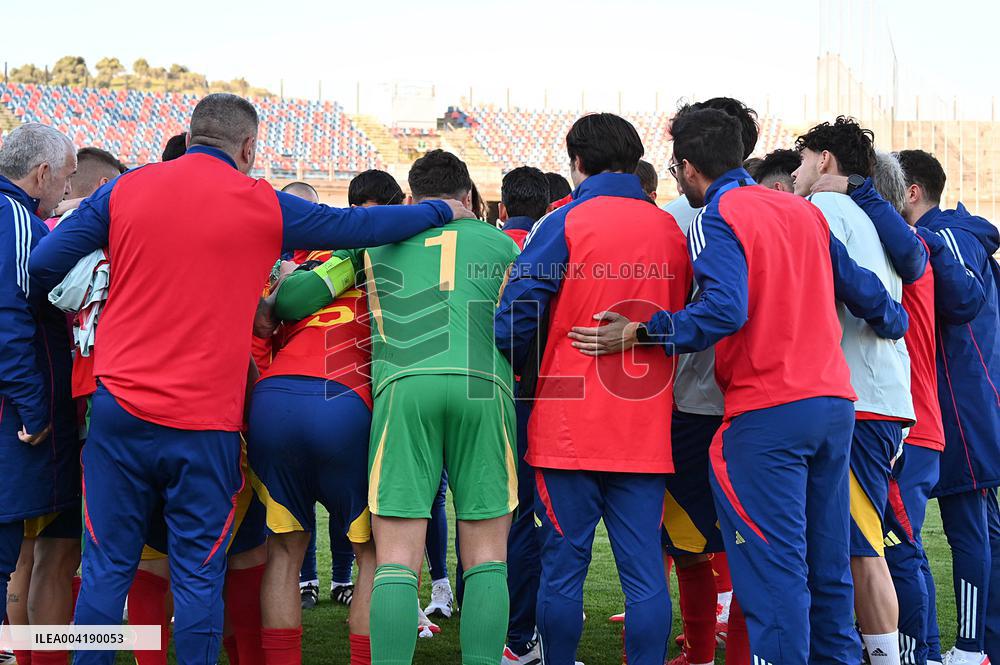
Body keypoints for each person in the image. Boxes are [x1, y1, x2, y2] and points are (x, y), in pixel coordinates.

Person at [27, 93, 468, 665]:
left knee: (109, 568)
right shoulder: (261, 202)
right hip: (205, 423)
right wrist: (442, 211)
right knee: (199, 574)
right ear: (249, 147)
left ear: (189, 137)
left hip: (120, 411)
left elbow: (43, 265)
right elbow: (362, 224)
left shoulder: (125, 189)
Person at [567, 106, 909, 665]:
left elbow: (724, 309)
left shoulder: (717, 214)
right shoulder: (802, 212)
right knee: (827, 575)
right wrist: (896, 326)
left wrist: (644, 331)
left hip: (766, 414)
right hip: (833, 408)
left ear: (685, 168)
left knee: (775, 580)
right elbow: (871, 295)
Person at [497, 113, 692, 665]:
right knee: (645, 574)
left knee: (562, 569)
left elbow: (513, 318)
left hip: (567, 425)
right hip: (645, 425)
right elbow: (687, 319)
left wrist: (534, 364)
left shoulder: (564, 220)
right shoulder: (669, 230)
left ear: (577, 163)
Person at [809, 150, 984, 665]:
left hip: (901, 422)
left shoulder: (907, 250)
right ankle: (917, 651)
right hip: (906, 420)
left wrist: (850, 192)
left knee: (890, 547)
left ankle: (918, 653)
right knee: (888, 544)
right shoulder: (897, 249)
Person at [363, 149, 520, 665]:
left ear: (411, 200)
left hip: (404, 388)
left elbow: (295, 298)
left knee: (395, 562)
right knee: (487, 561)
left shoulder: (378, 239)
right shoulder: (502, 243)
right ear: (470, 199)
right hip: (484, 389)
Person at [791, 116, 915, 665]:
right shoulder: (870, 215)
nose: (794, 174)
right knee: (857, 542)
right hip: (879, 397)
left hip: (859, 398)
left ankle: (885, 657)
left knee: (860, 548)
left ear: (824, 160)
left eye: (801, 161)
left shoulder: (823, 210)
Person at [660, 96, 761, 665]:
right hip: (758, 402)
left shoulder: (691, 216)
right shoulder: (781, 209)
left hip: (696, 402)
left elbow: (715, 309)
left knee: (693, 546)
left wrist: (648, 332)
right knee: (751, 544)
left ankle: (702, 653)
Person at [900, 149, 1000, 665]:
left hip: (961, 408)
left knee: (966, 528)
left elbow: (962, 301)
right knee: (982, 529)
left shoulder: (948, 236)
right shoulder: (956, 234)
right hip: (963, 403)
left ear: (912, 192)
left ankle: (967, 648)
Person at [0, 123, 78, 665]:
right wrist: (36, 407)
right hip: (13, 416)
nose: (66, 193)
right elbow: (9, 322)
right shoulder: (18, 221)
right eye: (66, 179)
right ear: (43, 172)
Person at [494, 165, 550, 665]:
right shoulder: (544, 250)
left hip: (486, 393)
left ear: (503, 209)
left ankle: (487, 617)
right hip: (535, 398)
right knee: (536, 520)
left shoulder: (493, 246)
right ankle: (522, 633)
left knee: (490, 515)